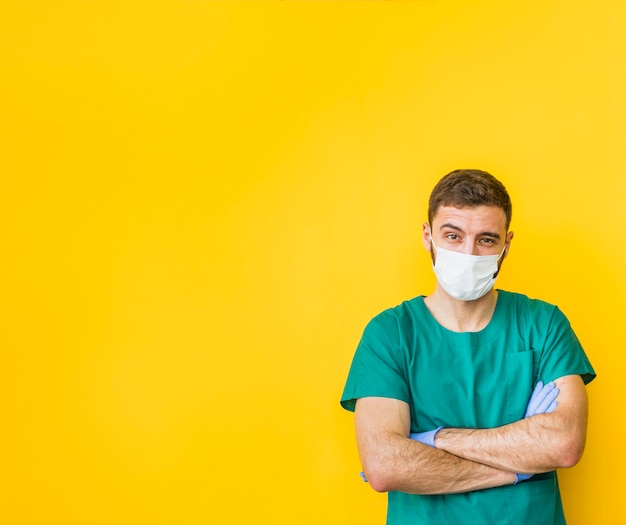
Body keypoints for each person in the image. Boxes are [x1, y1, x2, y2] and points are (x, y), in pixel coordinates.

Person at [340, 169, 595, 524]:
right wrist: (517, 468)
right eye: (453, 236)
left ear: (506, 245)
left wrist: (433, 439)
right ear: (428, 237)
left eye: (486, 240)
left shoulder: (543, 323)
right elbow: (385, 465)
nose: (468, 252)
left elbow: (563, 444)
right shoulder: (390, 334)